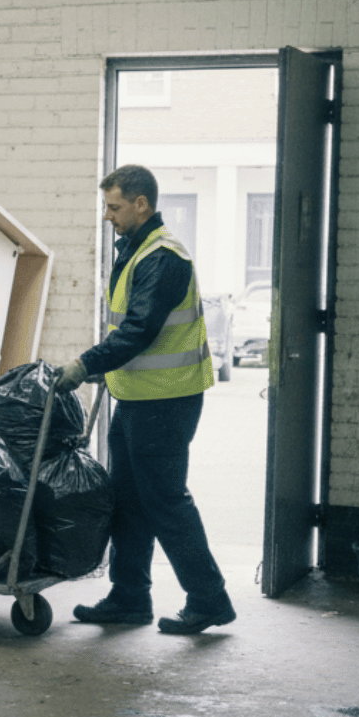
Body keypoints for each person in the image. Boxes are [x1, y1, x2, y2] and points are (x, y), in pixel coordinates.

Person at [53, 164, 236, 634]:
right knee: (129, 501)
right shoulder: (137, 250)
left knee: (165, 501)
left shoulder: (162, 257)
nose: (108, 216)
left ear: (141, 204)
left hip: (165, 403)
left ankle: (209, 599)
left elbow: (138, 330)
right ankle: (129, 596)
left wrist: (85, 364)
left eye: (114, 207)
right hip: (137, 398)